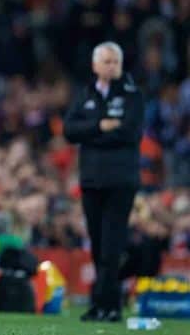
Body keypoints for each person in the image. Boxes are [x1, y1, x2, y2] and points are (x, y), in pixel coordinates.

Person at [63, 42, 144, 322]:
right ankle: (102, 305)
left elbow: (129, 133)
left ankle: (110, 306)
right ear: (95, 65)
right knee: (97, 244)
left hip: (120, 180)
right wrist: (99, 126)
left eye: (115, 62)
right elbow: (69, 130)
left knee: (112, 245)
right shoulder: (85, 94)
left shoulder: (132, 95)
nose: (111, 66)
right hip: (91, 180)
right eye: (106, 62)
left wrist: (93, 134)